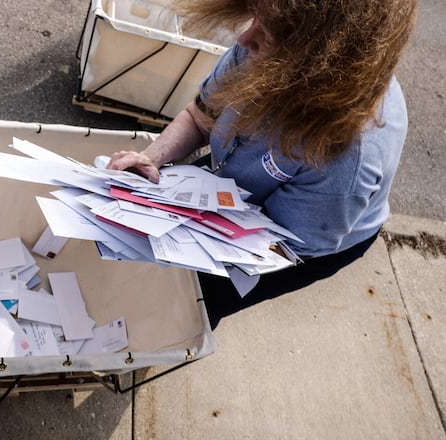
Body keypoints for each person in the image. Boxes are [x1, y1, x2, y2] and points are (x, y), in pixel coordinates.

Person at [107, 0, 417, 327]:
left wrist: (194, 244)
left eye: (265, 34)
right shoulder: (269, 50)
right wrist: (151, 157)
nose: (244, 39)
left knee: (201, 298)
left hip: (303, 237)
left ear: (315, 64)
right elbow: (200, 118)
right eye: (254, 19)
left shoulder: (346, 157)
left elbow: (285, 247)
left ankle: (176, 330)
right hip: (231, 187)